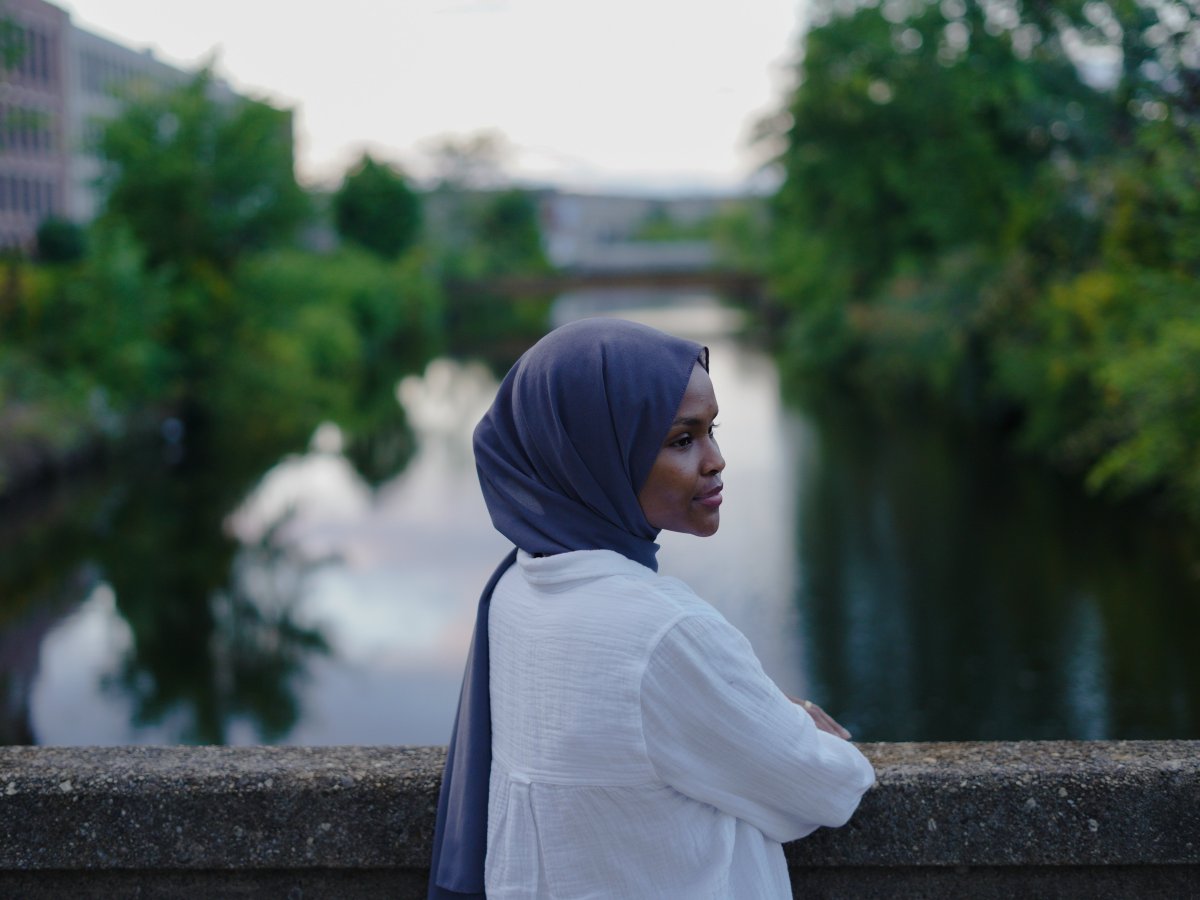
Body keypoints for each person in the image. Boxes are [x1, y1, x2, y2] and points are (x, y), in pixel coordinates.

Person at [429, 317, 874, 899]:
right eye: (682, 440)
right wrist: (797, 719)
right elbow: (828, 787)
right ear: (595, 453)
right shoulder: (663, 632)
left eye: (712, 430)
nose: (715, 460)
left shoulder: (518, 586)